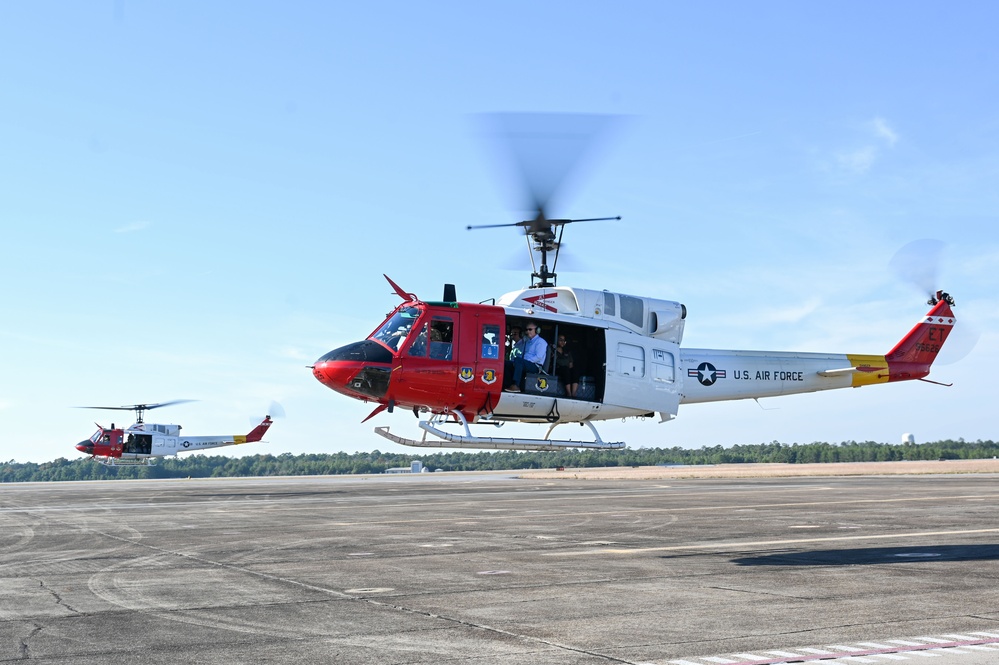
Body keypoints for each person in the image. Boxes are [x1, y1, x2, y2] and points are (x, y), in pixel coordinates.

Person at [505, 322, 548, 392]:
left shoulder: (541, 342)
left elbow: (539, 357)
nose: (527, 331)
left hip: (536, 366)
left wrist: (525, 361)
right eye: (526, 330)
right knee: (507, 363)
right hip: (525, 363)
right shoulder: (527, 341)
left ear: (537, 330)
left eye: (530, 329)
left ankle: (516, 385)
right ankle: (508, 385)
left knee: (518, 361)